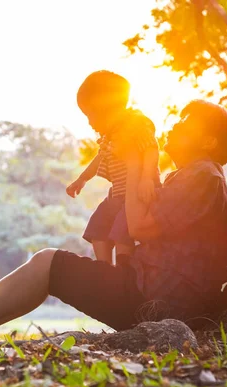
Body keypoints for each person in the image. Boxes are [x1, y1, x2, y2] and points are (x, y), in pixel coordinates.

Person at [0, 100, 227, 345]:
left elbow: (140, 227)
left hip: (156, 299)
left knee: (49, 263)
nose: (174, 125)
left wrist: (137, 159)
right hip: (150, 289)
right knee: (51, 265)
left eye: (186, 123)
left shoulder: (202, 176)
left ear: (208, 140)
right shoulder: (192, 176)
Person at [66, 70, 160, 265]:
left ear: (107, 109)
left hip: (137, 195)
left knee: (121, 232)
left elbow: (151, 149)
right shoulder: (109, 136)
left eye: (91, 115)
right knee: (98, 226)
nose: (90, 123)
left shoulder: (135, 123)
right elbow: (99, 159)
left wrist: (146, 178)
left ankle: (123, 269)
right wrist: (82, 179)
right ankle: (105, 268)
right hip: (117, 195)